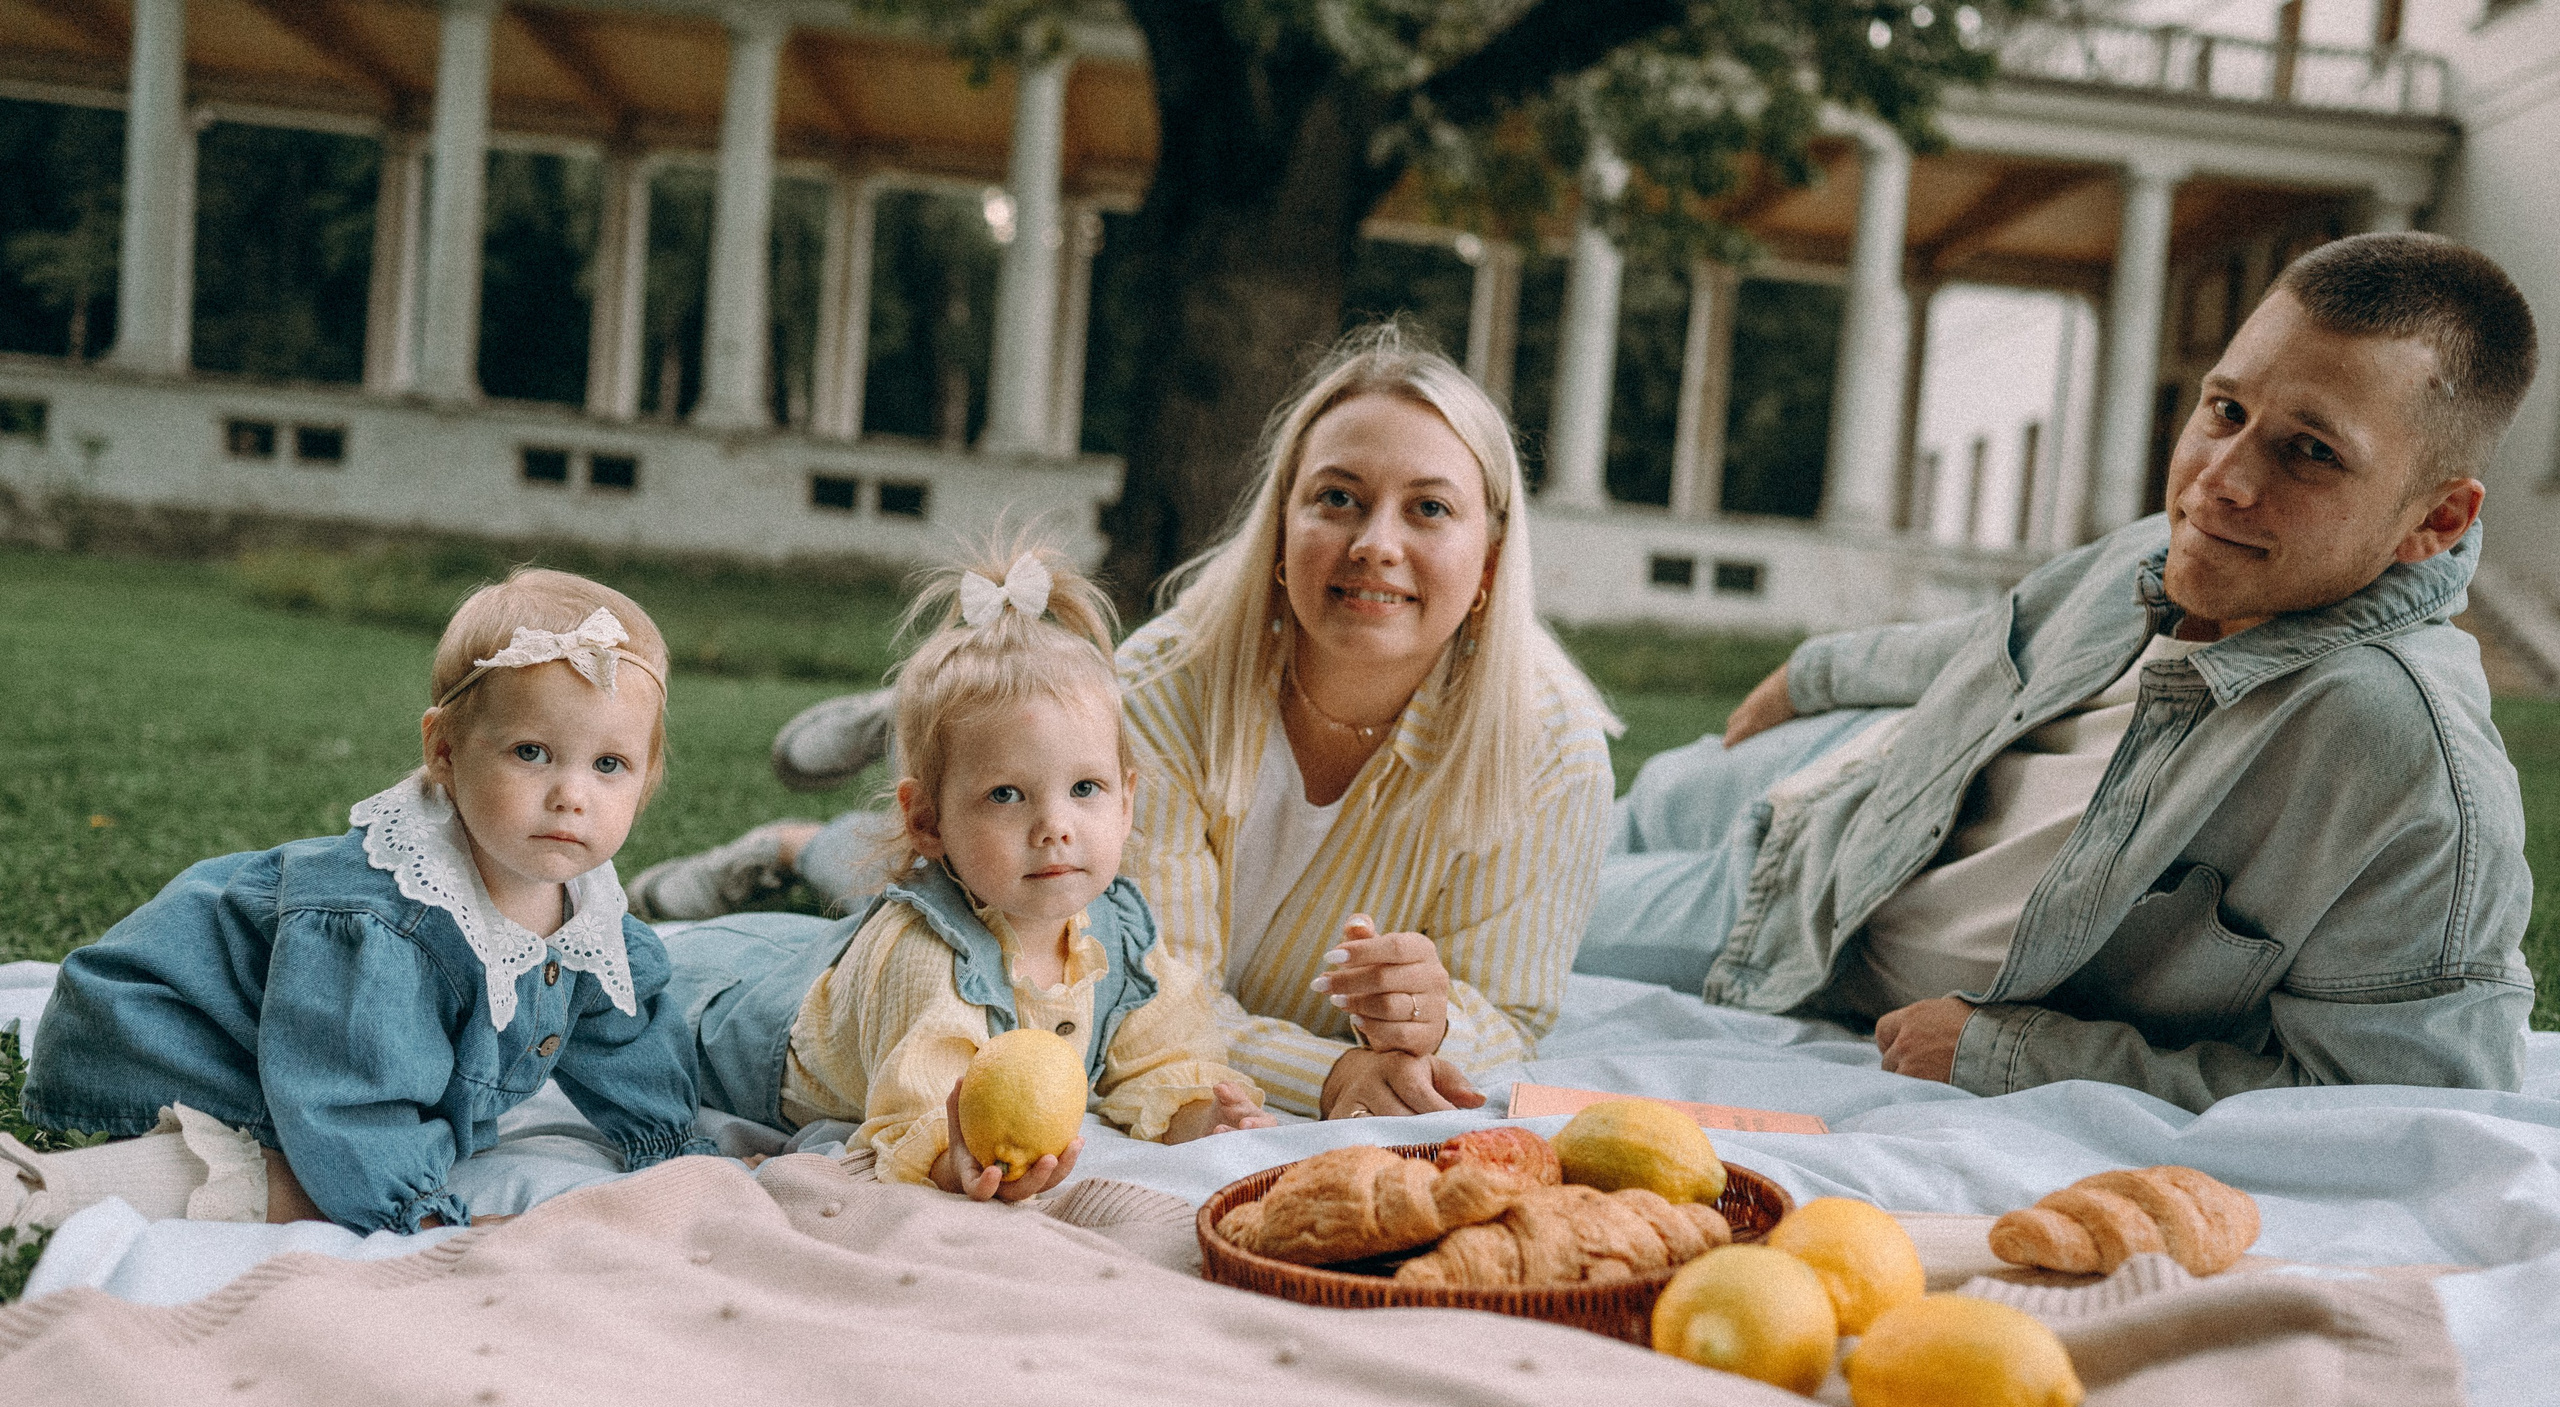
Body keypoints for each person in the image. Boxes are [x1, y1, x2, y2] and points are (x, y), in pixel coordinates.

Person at [1578, 232, 2538, 1111]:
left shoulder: (2406, 762)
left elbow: (2407, 1101)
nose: (2220, 480)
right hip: (1840, 773)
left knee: (1464, 910)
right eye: (2225, 409)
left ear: (2437, 519)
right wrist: (1815, 674)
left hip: (1796, 914)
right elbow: (1998, 640)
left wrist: (2014, 1056)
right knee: (1475, 825)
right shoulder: (2177, 545)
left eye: (2311, 452)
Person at [637, 325, 1619, 1121]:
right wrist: (1324, 1077)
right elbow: (1143, 979)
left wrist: (1435, 1020)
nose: (1374, 543)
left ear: (1489, 559)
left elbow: (1513, 1014)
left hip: (1045, 852)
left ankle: (812, 832)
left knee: (1006, 834)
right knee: (979, 882)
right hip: (1039, 879)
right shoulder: (1165, 685)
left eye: (1430, 510)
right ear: (1280, 531)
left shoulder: (1555, 750)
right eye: (1337, 498)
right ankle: (915, 729)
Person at [8, 570, 708, 1234]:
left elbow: (624, 1035)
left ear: (646, 781)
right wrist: (416, 1205)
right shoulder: (386, 919)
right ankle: (49, 1189)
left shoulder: (585, 918)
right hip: (163, 1038)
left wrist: (674, 1148)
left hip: (298, 1054)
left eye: (608, 765)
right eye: (531, 751)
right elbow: (344, 1087)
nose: (571, 794)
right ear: (444, 750)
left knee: (345, 1146)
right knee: (301, 1178)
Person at [661, 547, 1273, 1202]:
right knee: (651, 984)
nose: (1055, 826)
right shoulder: (927, 960)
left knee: (828, 935)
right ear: (926, 821)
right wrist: (951, 1160)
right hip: (745, 1013)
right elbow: (920, 1110)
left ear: (1127, 801)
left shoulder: (1120, 932)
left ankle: (795, 844)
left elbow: (1162, 1055)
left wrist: (1197, 1114)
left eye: (1085, 788)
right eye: (1007, 794)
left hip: (826, 962)